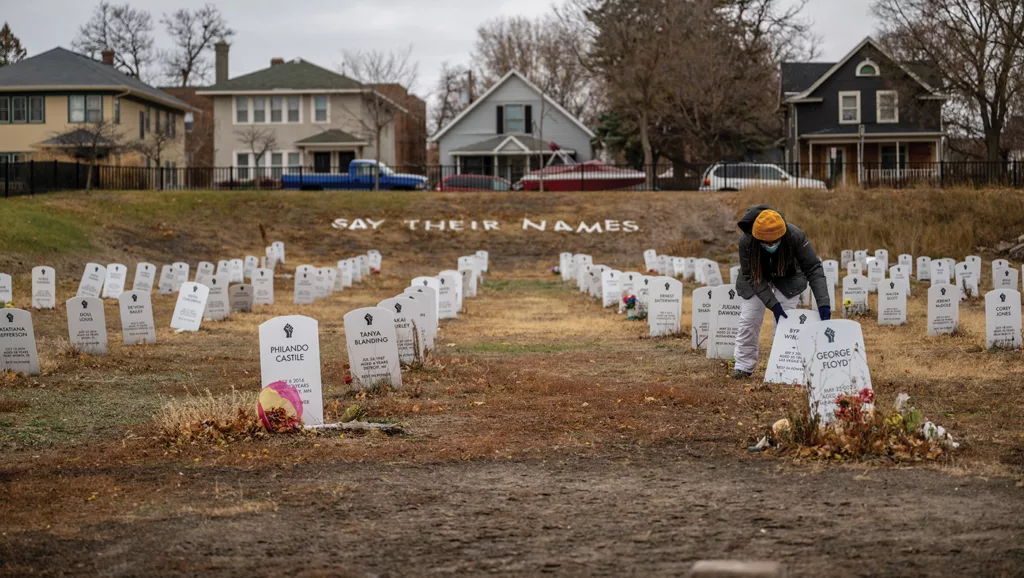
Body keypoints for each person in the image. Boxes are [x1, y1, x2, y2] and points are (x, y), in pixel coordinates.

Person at [732, 205, 831, 379]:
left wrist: (823, 303)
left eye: (774, 242)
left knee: (787, 322)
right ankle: (743, 365)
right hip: (756, 276)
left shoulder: (795, 236)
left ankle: (784, 366)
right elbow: (753, 277)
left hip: (788, 276)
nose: (770, 246)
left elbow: (813, 267)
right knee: (749, 319)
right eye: (765, 243)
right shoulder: (747, 241)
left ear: (782, 235)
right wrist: (773, 305)